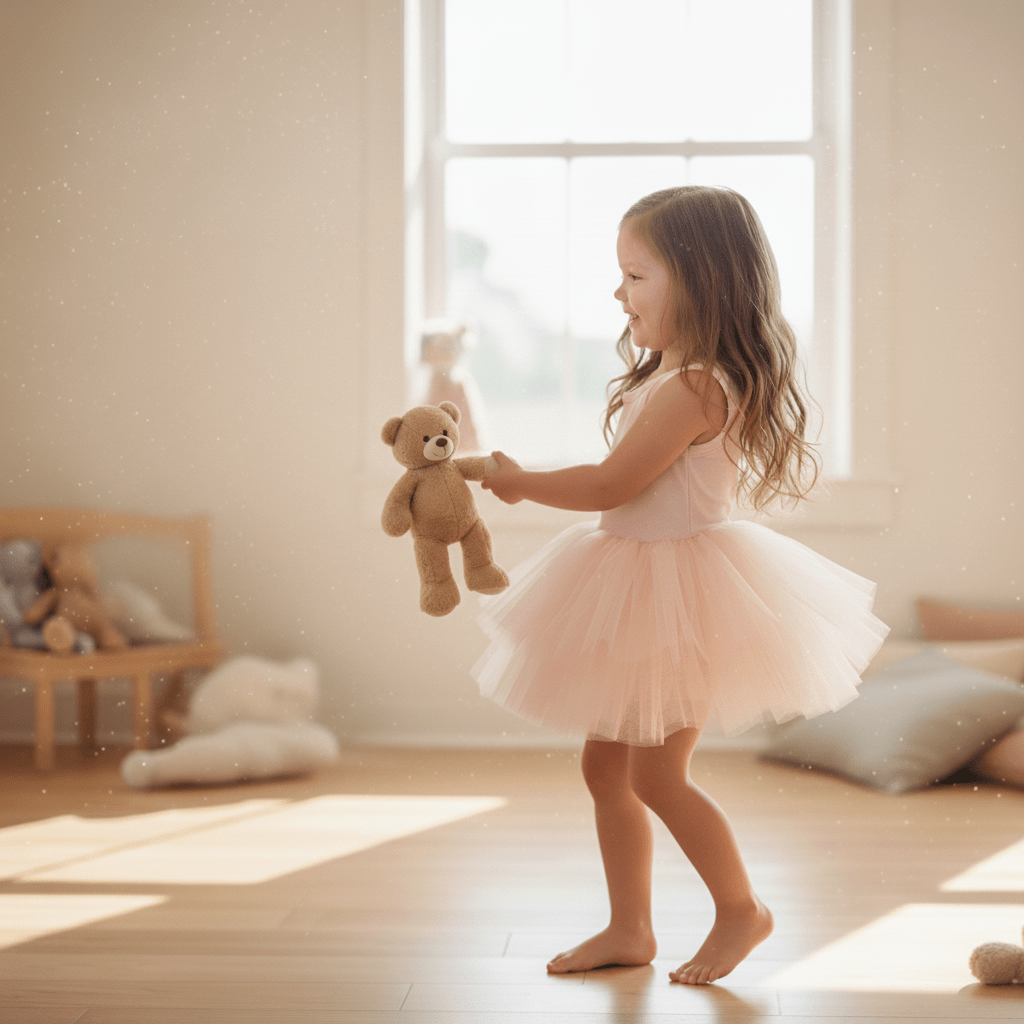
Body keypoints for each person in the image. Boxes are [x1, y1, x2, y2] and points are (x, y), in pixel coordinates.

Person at [475, 185, 889, 986]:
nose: (618, 294)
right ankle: (629, 926)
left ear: (699, 281)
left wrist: (519, 481)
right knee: (607, 769)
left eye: (636, 276)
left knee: (656, 774)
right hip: (634, 581)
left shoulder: (697, 387)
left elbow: (610, 485)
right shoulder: (670, 374)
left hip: (681, 597)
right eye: (620, 276)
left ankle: (742, 909)